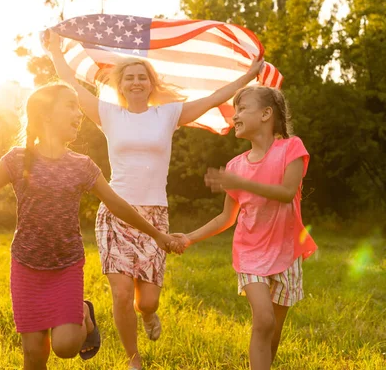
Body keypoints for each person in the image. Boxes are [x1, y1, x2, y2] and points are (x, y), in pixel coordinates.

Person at [45, 31, 263, 370]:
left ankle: (148, 315)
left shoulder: (169, 114)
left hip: (154, 214)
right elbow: (70, 84)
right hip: (116, 213)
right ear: (120, 84)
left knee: (146, 301)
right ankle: (134, 359)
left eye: (141, 77)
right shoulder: (108, 114)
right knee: (120, 293)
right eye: (129, 77)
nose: (135, 81)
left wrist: (248, 76)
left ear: (150, 83)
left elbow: (214, 96)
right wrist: (56, 50)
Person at [0, 83, 181, 370]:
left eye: (78, 107)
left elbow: (117, 204)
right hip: (26, 265)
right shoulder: (16, 159)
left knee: (65, 347)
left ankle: (84, 313)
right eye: (70, 106)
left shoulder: (82, 166)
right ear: (46, 114)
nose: (79, 113)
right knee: (34, 355)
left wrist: (157, 235)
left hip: (66, 265)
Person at [175, 86, 318, 370]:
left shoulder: (292, 148)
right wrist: (189, 237)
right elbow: (226, 217)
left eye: (241, 109)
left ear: (266, 114)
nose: (235, 115)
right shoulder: (236, 166)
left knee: (272, 330)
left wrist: (242, 184)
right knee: (263, 320)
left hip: (286, 253)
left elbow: (287, 192)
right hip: (250, 253)